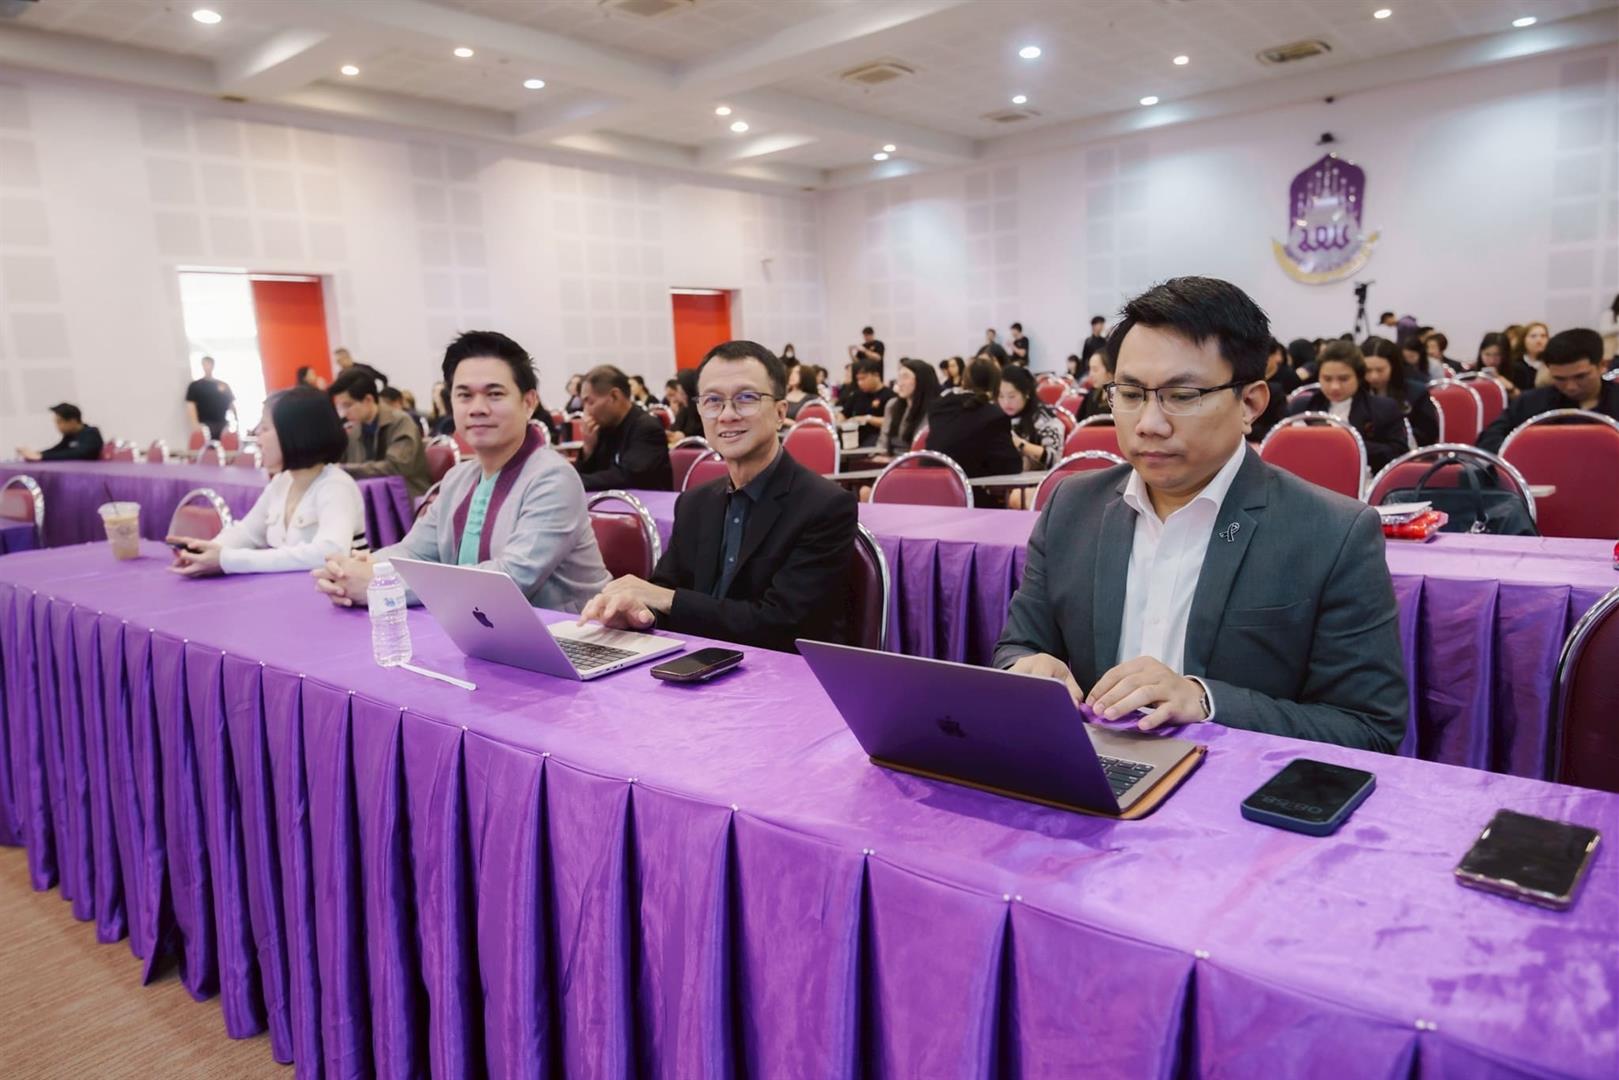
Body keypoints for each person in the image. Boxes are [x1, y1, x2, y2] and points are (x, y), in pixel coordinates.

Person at [994, 276, 1406, 751]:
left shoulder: (1332, 533)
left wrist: (1207, 702)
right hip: (1092, 777)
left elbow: (1369, 729)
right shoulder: (1071, 506)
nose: (1149, 424)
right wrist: (1026, 668)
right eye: (1130, 394)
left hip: (1241, 788)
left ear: (1249, 403)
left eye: (1182, 395)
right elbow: (1018, 645)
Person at [579, 340, 857, 652]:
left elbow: (783, 624)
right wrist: (637, 613)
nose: (727, 414)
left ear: (780, 413)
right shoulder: (695, 502)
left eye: (746, 398)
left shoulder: (825, 505)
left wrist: (665, 599)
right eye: (713, 400)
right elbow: (663, 592)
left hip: (784, 672)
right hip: (698, 664)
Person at [313, 331, 609, 611]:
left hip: (566, 635)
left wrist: (382, 584)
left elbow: (509, 579)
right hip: (480, 627)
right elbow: (414, 552)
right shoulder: (458, 478)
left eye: (494, 394)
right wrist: (357, 569)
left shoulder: (553, 478)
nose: (477, 408)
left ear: (528, 402)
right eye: (464, 395)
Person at [170, 387, 365, 576]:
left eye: (265, 428)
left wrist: (228, 560)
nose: (257, 435)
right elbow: (247, 532)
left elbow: (328, 552)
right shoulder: (282, 482)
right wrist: (207, 551)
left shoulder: (335, 486)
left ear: (295, 434)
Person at [1477, 328, 1619, 453]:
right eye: (1560, 379)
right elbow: (1488, 440)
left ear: (1602, 366)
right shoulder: (1530, 403)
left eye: (1580, 377)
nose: (1571, 387)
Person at [1288, 340, 1406, 472]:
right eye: (1327, 379)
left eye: (1344, 379)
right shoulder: (1303, 406)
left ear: (1359, 377)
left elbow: (1399, 454)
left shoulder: (1383, 408)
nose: (1335, 387)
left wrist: (1346, 441)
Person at [326, 368, 432, 497]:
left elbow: (395, 467)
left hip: (406, 497)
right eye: (339, 407)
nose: (343, 413)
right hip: (373, 498)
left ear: (368, 400)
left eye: (347, 405)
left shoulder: (401, 422)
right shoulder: (354, 430)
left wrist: (346, 469)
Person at [573, 364, 673, 491]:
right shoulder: (603, 428)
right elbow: (588, 475)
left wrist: (574, 483)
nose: (586, 411)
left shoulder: (647, 428)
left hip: (647, 501)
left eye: (590, 402)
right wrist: (588, 449)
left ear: (614, 396)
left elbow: (626, 477)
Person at [925, 356, 1021, 479]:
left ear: (964, 380)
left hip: (928, 481)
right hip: (966, 486)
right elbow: (1011, 465)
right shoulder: (994, 415)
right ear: (996, 386)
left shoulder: (937, 407)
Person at [1362, 336, 1438, 447]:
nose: (1374, 376)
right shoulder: (1357, 392)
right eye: (1368, 370)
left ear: (1393, 367)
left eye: (1380, 370)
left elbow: (1428, 433)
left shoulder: (1416, 392)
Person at [999, 364, 1063, 469]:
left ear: (1026, 393)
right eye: (1001, 396)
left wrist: (1020, 444)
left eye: (1012, 396)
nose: (1006, 402)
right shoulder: (996, 417)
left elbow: (1054, 459)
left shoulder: (1044, 419)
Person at [876, 358, 939, 459]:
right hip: (889, 462)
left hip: (916, 462)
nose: (900, 383)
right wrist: (879, 456)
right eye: (899, 378)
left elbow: (923, 449)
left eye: (905, 377)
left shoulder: (934, 409)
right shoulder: (892, 405)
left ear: (921, 380)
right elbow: (883, 442)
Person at [15, 403, 103, 462]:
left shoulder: (91, 433)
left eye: (59, 422)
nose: (57, 426)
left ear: (72, 421)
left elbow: (78, 453)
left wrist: (42, 457)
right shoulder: (70, 436)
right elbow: (58, 449)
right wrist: (38, 454)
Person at [838, 358, 895, 448]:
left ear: (876, 375)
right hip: (853, 436)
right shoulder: (857, 395)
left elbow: (891, 422)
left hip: (876, 437)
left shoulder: (890, 396)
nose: (860, 383)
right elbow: (843, 414)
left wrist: (868, 419)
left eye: (863, 378)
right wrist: (841, 423)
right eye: (858, 380)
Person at [185, 356, 237, 440]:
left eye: (209, 364)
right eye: (205, 364)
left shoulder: (223, 385)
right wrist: (195, 424)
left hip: (222, 423)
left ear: (213, 365)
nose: (207, 367)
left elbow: (231, 404)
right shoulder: (195, 386)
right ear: (202, 366)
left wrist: (235, 422)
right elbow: (191, 406)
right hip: (204, 425)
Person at [1511, 321, 1551, 391]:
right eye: (1533, 336)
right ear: (1523, 340)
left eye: (1543, 336)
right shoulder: (1516, 366)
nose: (1539, 340)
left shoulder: (1553, 363)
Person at [667, 368, 704, 439]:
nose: (680, 398)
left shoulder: (700, 407)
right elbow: (674, 429)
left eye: (682, 393)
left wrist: (684, 436)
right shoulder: (685, 407)